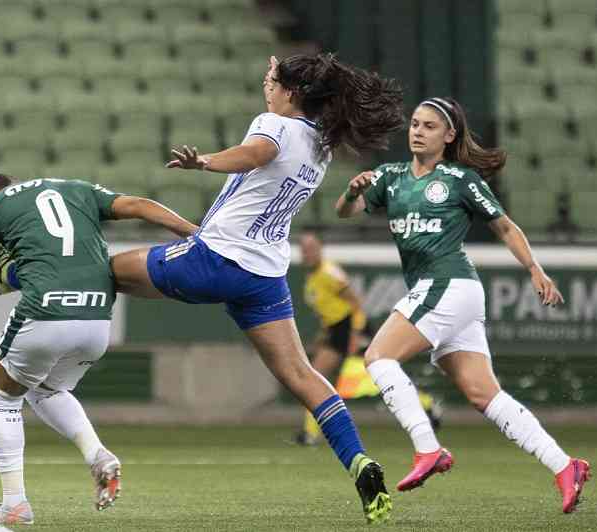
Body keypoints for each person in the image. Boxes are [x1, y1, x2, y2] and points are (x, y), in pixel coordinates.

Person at [108, 53, 406, 524]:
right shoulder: (321, 146)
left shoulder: (275, 125)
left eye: (271, 80)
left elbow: (256, 152)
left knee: (109, 271)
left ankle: (16, 278)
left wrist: (205, 161)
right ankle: (358, 461)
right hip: (264, 275)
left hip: (217, 258)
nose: (265, 86)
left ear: (292, 93)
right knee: (302, 375)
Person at [335, 96, 590, 513]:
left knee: (379, 357)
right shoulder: (390, 176)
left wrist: (534, 269)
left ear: (449, 135)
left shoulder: (460, 179)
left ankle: (427, 448)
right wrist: (352, 191)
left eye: (429, 126)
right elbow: (346, 211)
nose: (417, 131)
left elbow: (505, 227)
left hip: (448, 282)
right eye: (415, 124)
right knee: (483, 394)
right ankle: (565, 466)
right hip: (456, 293)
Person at [0, 174, 198, 524]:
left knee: (4, 398)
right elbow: (140, 205)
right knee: (48, 388)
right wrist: (192, 231)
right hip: (98, 319)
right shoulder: (78, 189)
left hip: (45, 313)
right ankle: (97, 455)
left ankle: (14, 504)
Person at [295, 232, 442, 446]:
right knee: (313, 377)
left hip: (352, 328)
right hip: (336, 331)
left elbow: (356, 303)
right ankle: (309, 433)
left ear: (320, 249)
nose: (308, 253)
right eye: (304, 249)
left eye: (312, 248)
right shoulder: (312, 277)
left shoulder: (330, 273)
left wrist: (356, 335)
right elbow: (327, 311)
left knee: (377, 381)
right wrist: (323, 336)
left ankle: (426, 403)